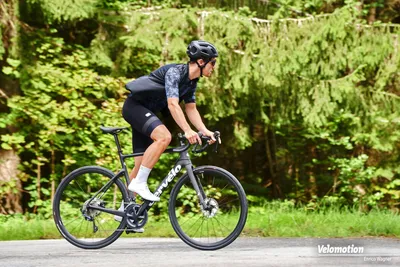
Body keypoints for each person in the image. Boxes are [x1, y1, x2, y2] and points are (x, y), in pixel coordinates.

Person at [122, 40, 218, 203]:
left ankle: (124, 212)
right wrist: (187, 130)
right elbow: (173, 104)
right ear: (201, 61)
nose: (214, 67)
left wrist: (205, 131)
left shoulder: (192, 82)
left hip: (146, 113)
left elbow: (191, 109)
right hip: (134, 107)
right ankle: (140, 184)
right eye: (213, 62)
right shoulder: (175, 73)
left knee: (140, 166)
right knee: (164, 137)